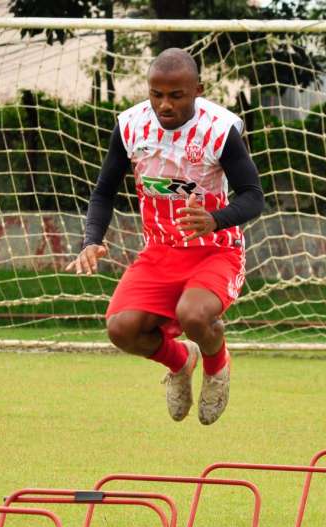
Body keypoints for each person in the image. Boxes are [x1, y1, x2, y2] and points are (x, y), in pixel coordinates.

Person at [66, 48, 264, 425]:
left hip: (214, 250)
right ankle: (180, 361)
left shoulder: (220, 130)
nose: (164, 104)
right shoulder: (130, 126)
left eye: (176, 95)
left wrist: (214, 219)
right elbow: (103, 191)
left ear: (197, 90)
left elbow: (254, 197)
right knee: (120, 329)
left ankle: (217, 367)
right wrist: (91, 239)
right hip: (160, 251)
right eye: (156, 94)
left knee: (192, 314)